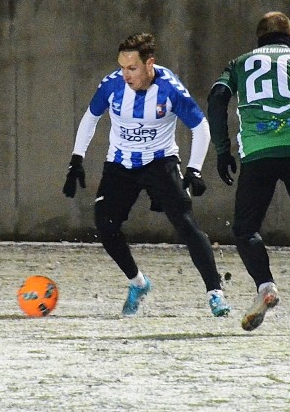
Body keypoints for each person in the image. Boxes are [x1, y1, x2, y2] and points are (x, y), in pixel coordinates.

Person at [63, 33, 231, 318]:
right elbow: (91, 117)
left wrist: (194, 169)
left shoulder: (170, 89)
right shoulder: (112, 85)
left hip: (159, 162)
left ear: (149, 63)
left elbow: (200, 126)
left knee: (186, 225)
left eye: (132, 68)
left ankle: (215, 292)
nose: (125, 74)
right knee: (104, 226)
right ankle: (138, 283)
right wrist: (76, 159)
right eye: (122, 67)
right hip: (119, 164)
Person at [207, 11, 290, 333]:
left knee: (245, 228)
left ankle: (266, 287)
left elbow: (217, 97)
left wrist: (223, 150)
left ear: (259, 38)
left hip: (258, 153)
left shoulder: (240, 63)